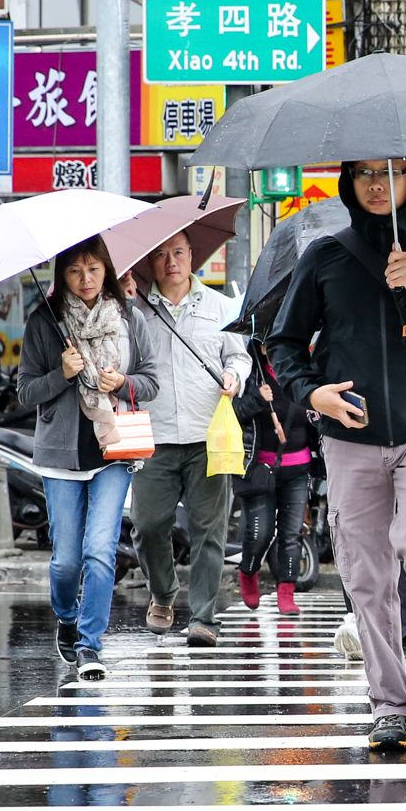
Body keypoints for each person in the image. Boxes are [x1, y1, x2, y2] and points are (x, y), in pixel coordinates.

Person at [270, 156, 406, 751]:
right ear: (349, 178)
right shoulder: (325, 257)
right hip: (350, 437)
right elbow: (284, 343)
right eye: (365, 172)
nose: (375, 184)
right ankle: (390, 702)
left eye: (388, 173)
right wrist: (311, 392)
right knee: (366, 577)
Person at [18, 237, 158, 680]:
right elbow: (25, 391)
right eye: (75, 271)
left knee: (100, 551)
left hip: (113, 449)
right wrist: (62, 374)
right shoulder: (44, 322)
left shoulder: (130, 317)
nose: (85, 279)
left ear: (107, 271)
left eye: (94, 269)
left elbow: (151, 382)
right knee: (65, 561)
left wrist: (122, 383)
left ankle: (89, 646)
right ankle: (66, 614)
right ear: (62, 275)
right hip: (60, 456)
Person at [132, 231, 250, 648]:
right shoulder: (135, 312)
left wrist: (235, 376)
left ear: (192, 256)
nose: (170, 262)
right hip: (154, 436)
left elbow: (238, 354)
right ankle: (163, 592)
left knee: (209, 530)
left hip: (209, 434)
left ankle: (203, 616)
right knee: (147, 526)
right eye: (160, 254)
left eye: (178, 252)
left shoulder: (220, 307)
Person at [232, 340, 317, 615]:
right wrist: (257, 399)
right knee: (260, 533)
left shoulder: (304, 370)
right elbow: (232, 413)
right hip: (260, 470)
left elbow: (318, 414)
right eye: (266, 341)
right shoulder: (249, 373)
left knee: (291, 534)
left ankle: (286, 591)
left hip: (299, 468)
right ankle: (248, 572)